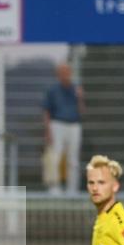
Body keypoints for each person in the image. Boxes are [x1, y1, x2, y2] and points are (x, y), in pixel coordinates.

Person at [43, 62, 84, 194]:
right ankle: (54, 187)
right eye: (62, 72)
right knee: (55, 156)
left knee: (73, 159)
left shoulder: (76, 89)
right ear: (58, 74)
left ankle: (72, 189)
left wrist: (80, 97)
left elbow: (82, 111)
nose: (65, 75)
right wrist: (48, 130)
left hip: (74, 125)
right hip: (57, 124)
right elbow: (46, 111)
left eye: (67, 72)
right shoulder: (52, 90)